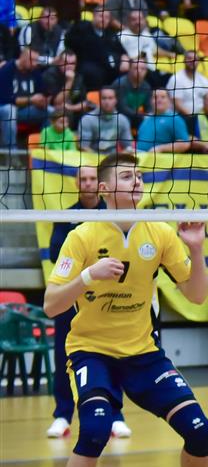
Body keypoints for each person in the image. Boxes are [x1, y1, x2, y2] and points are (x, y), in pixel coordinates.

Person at [43, 153, 208, 467]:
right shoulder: (81, 235)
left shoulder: (159, 233)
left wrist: (197, 250)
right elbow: (51, 305)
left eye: (139, 176)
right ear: (103, 189)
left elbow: (197, 296)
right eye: (127, 176)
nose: (137, 182)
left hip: (143, 354)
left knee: (201, 431)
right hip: (91, 352)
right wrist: (88, 276)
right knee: (94, 432)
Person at [44, 165, 131, 442]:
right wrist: (90, 265)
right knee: (64, 355)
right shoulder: (67, 216)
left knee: (113, 354)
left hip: (105, 298)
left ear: (100, 184)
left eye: (93, 178)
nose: (89, 183)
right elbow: (56, 253)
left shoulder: (113, 215)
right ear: (77, 183)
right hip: (73, 294)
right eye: (84, 179)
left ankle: (116, 416)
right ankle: (62, 415)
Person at [63, 6, 122, 90]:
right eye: (101, 16)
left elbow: (120, 50)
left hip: (109, 67)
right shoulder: (81, 29)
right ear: (93, 16)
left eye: (107, 17)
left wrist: (124, 57)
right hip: (87, 66)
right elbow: (70, 43)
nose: (104, 19)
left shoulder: (110, 33)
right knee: (93, 72)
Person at [135, 89, 192, 154]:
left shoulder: (174, 118)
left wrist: (160, 148)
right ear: (151, 101)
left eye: (163, 97)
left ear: (169, 101)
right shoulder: (146, 119)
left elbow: (185, 144)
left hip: (160, 159)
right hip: (140, 157)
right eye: (155, 97)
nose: (159, 100)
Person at [78, 87, 132, 154]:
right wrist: (100, 158)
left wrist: (117, 157)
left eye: (110, 98)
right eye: (104, 98)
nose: (107, 102)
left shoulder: (123, 120)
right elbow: (83, 147)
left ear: (116, 100)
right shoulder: (87, 120)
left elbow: (128, 147)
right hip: (91, 157)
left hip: (113, 158)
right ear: (99, 100)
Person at [12, 45, 51, 131]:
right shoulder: (9, 70)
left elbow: (45, 92)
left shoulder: (35, 72)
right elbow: (6, 100)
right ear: (22, 57)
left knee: (53, 111)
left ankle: (44, 139)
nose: (34, 63)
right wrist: (31, 100)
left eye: (36, 60)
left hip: (30, 109)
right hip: (11, 110)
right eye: (31, 60)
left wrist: (44, 101)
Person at [168, 50, 208, 119]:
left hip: (202, 117)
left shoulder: (203, 79)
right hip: (182, 117)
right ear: (184, 61)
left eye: (195, 59)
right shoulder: (176, 79)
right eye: (189, 58)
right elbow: (177, 104)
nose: (192, 61)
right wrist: (193, 118)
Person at [111, 57, 152, 131]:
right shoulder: (120, 84)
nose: (139, 71)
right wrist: (142, 116)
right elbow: (122, 108)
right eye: (136, 68)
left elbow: (149, 107)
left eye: (143, 69)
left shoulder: (146, 86)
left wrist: (149, 116)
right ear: (129, 69)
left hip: (135, 118)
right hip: (117, 118)